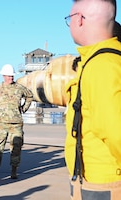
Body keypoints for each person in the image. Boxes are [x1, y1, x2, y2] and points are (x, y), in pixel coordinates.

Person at [64, 0, 121, 199]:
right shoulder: (101, 61)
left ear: (79, 19)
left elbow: (117, 133)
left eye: (69, 19)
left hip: (103, 186)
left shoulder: (101, 66)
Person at [0, 64, 33, 179]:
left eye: (12, 76)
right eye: (9, 76)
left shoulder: (19, 88)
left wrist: (23, 108)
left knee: (16, 147)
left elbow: (29, 96)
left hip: (16, 123)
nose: (11, 78)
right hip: (1, 124)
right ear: (3, 76)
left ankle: (14, 170)